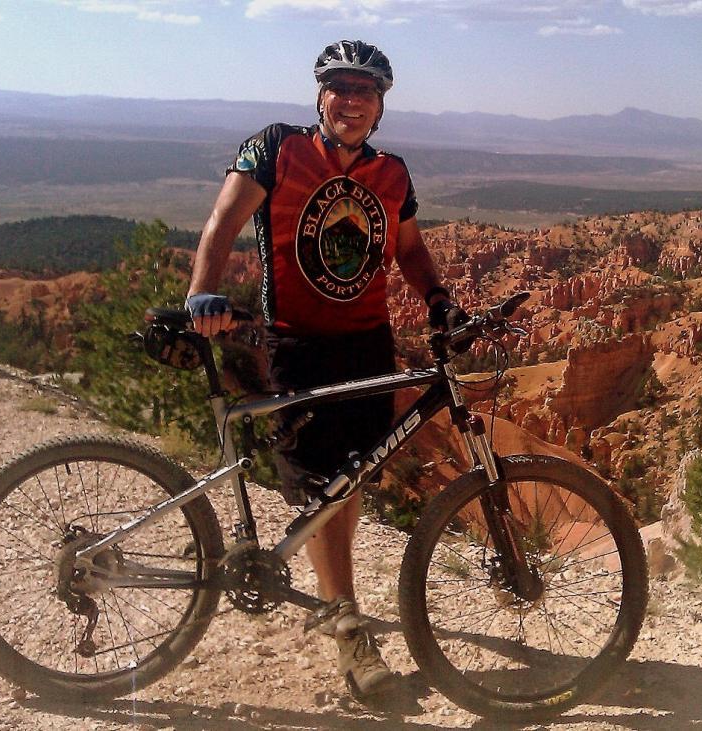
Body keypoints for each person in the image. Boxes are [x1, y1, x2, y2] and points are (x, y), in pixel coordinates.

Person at [185, 40, 464, 697]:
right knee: (318, 488)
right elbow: (224, 219)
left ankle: (336, 594)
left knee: (351, 478)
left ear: (380, 106)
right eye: (339, 87)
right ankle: (346, 625)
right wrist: (203, 290)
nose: (351, 99)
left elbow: (411, 250)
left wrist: (438, 297)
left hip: (367, 343)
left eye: (364, 91)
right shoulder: (276, 148)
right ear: (321, 95)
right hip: (295, 343)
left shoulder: (392, 174)